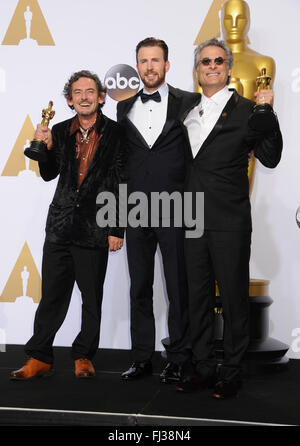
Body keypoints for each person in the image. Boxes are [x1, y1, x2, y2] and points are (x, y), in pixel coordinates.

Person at [176, 38, 282, 398]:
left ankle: (232, 370)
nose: (212, 66)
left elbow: (270, 157)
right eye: (205, 61)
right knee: (197, 297)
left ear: (229, 68)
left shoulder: (249, 110)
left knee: (235, 297)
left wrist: (270, 115)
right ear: (197, 69)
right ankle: (204, 367)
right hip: (191, 218)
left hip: (229, 219)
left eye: (219, 60)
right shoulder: (185, 110)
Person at [11, 70, 126, 380]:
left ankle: (84, 356)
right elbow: (49, 174)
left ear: (101, 97)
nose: (84, 96)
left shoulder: (116, 133)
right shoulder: (60, 130)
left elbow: (121, 181)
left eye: (90, 91)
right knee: (51, 296)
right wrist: (45, 147)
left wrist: (117, 228)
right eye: (78, 92)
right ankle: (40, 357)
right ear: (69, 99)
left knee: (91, 298)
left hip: (95, 227)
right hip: (60, 226)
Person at [117, 37, 199, 383]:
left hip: (177, 207)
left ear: (167, 65)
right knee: (139, 287)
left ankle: (179, 357)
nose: (149, 66)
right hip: (135, 209)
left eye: (155, 60)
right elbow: (121, 164)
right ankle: (141, 358)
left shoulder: (189, 102)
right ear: (137, 66)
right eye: (143, 61)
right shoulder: (122, 108)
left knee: (178, 286)